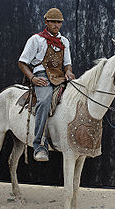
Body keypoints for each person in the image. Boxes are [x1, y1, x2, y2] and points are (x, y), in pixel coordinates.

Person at [18, 8, 75, 162]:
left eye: (59, 22)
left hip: (60, 76)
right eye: (53, 22)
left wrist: (69, 72)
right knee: (44, 101)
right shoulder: (36, 40)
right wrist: (32, 78)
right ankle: (39, 144)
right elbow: (22, 62)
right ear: (46, 22)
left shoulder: (65, 41)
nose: (56, 25)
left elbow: (67, 64)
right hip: (41, 76)